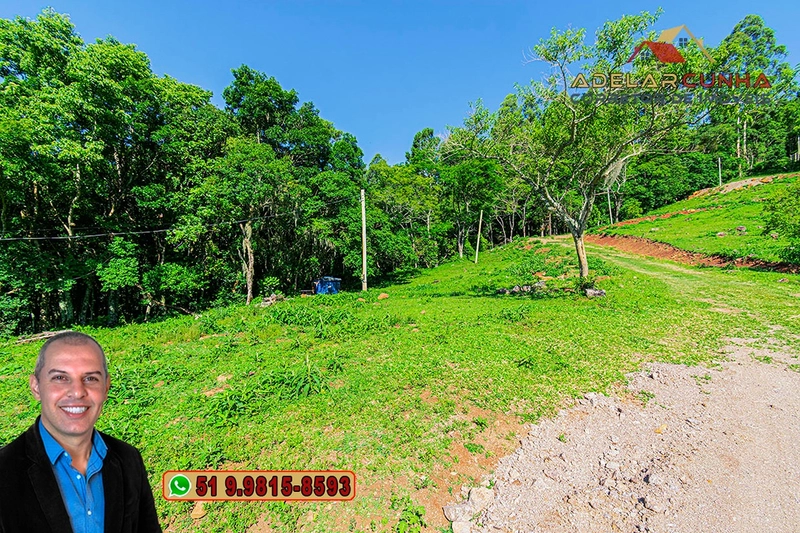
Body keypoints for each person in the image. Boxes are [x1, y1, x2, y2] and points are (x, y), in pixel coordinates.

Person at [0, 331, 162, 533]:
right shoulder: (4, 470)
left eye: (91, 378)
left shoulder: (129, 459)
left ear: (106, 387)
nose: (77, 392)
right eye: (60, 377)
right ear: (36, 387)